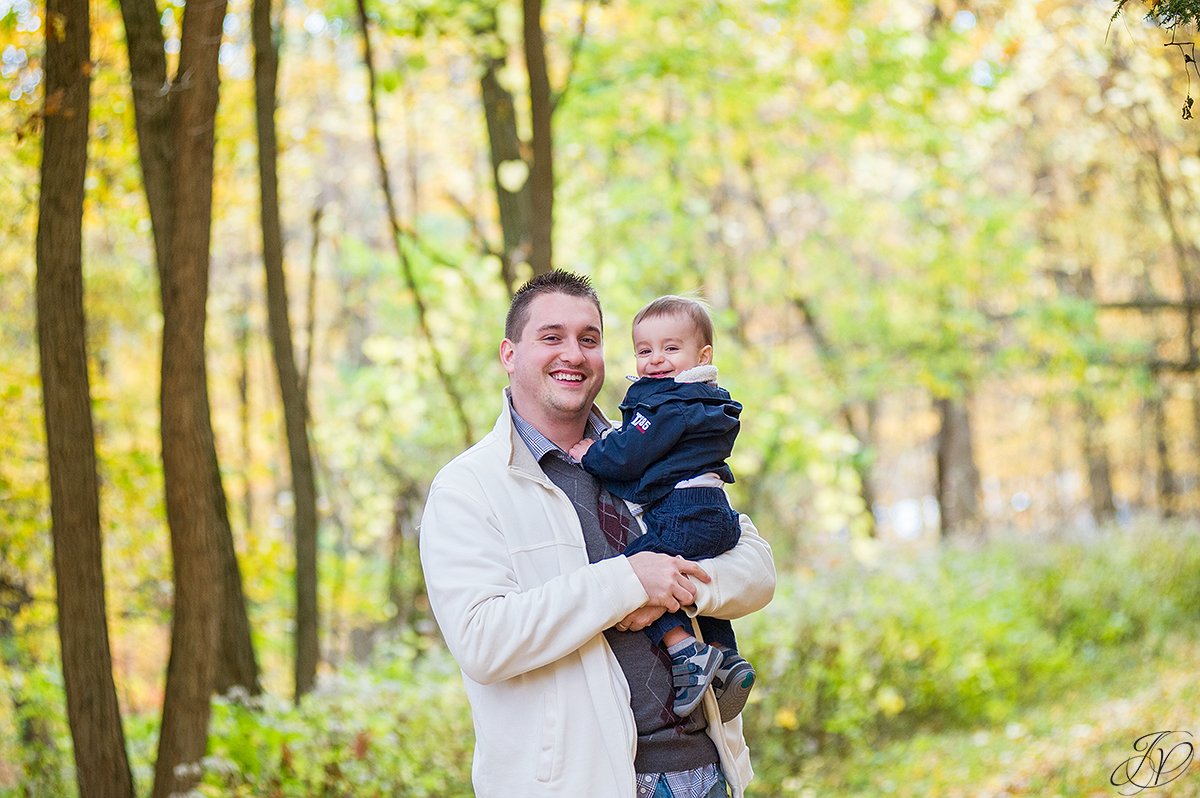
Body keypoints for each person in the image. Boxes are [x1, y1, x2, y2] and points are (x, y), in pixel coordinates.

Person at [419, 270, 775, 798]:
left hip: (706, 772)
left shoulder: (649, 449)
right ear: (509, 354)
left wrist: (677, 590)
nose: (574, 353)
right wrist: (629, 580)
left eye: (589, 339)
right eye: (551, 337)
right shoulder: (468, 488)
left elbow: (756, 568)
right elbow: (483, 641)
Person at [568, 296, 755, 719]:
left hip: (682, 509)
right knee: (690, 577)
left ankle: (685, 649)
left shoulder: (665, 403)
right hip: (716, 512)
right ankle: (724, 656)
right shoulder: (707, 400)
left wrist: (592, 455)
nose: (656, 361)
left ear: (702, 355)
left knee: (636, 569)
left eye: (670, 349)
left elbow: (630, 453)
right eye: (644, 350)